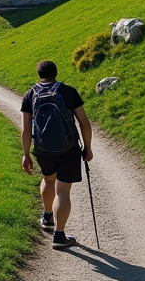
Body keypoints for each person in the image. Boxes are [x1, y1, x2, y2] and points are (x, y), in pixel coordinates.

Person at [20, 59, 94, 250]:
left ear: (39, 75)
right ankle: (59, 236)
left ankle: (47, 217)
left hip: (43, 149)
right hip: (69, 148)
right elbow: (84, 123)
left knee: (48, 179)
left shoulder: (30, 94)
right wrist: (87, 148)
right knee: (63, 191)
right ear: (56, 73)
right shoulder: (69, 91)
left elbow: (26, 128)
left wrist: (26, 154)